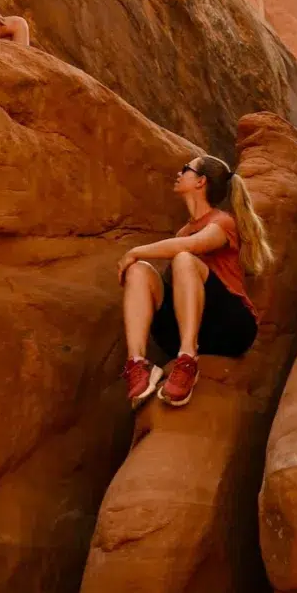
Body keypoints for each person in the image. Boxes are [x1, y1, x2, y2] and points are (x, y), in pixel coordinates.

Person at [117, 155, 274, 408]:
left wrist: (135, 250)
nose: (179, 173)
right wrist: (137, 261)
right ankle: (137, 365)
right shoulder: (183, 231)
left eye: (185, 169)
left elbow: (193, 245)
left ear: (201, 181)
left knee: (183, 258)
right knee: (138, 271)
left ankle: (188, 359)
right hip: (186, 326)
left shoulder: (221, 222)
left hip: (231, 327)